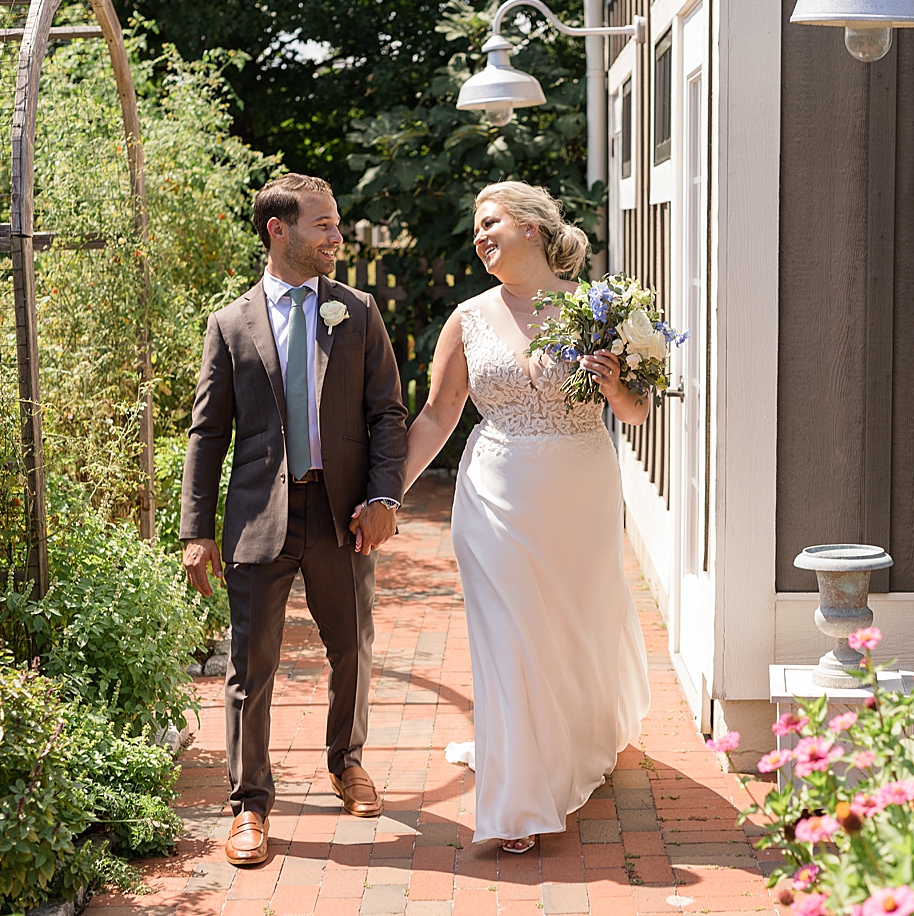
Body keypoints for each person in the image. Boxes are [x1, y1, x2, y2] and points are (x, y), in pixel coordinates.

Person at [390, 180, 651, 853]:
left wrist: (616, 385)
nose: (480, 236)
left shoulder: (605, 309)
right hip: (495, 493)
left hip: (581, 488)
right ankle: (519, 800)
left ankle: (572, 739)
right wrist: (387, 495)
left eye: (491, 221)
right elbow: (438, 415)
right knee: (509, 636)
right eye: (476, 227)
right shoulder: (468, 318)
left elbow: (637, 412)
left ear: (532, 227)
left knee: (574, 623)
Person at [179, 173, 408, 867]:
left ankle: (346, 761)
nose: (337, 237)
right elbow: (206, 432)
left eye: (336, 224)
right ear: (278, 231)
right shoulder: (230, 323)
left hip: (344, 515)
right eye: (323, 225)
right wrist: (196, 531)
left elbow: (386, 415)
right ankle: (250, 803)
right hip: (259, 516)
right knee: (251, 668)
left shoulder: (358, 311)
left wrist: (384, 497)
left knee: (352, 649)